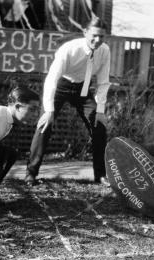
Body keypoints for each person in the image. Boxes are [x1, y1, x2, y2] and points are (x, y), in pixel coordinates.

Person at [25, 17, 111, 186]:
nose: (98, 40)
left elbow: (103, 82)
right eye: (94, 35)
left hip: (83, 88)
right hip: (60, 86)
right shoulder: (69, 49)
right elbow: (51, 80)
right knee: (44, 125)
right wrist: (49, 110)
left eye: (102, 36)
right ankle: (30, 174)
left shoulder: (104, 51)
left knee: (98, 126)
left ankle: (100, 175)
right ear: (85, 32)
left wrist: (100, 110)